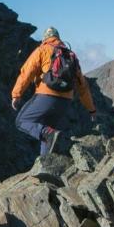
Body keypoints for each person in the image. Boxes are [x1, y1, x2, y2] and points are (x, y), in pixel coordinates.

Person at [12, 27, 96, 157]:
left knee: (22, 121)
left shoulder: (42, 50)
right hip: (65, 101)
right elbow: (82, 85)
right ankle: (46, 165)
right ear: (58, 37)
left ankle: (48, 135)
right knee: (49, 133)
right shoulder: (70, 55)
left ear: (45, 38)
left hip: (46, 96)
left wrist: (16, 94)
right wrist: (91, 109)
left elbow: (26, 73)